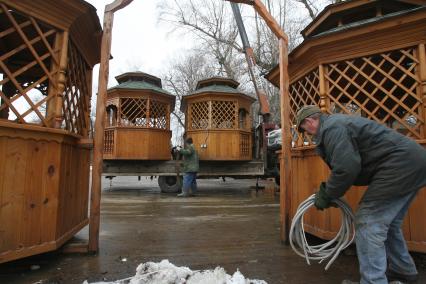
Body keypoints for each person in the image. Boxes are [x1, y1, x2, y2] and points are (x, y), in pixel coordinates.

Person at [296, 105, 426, 284]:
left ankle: (374, 281)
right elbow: (347, 166)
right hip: (412, 163)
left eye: (304, 128)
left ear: (309, 121)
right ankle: (403, 272)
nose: (307, 132)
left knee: (368, 222)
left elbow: (346, 167)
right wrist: (331, 190)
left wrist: (328, 194)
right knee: (389, 224)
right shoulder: (336, 125)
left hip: (399, 166)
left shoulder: (332, 128)